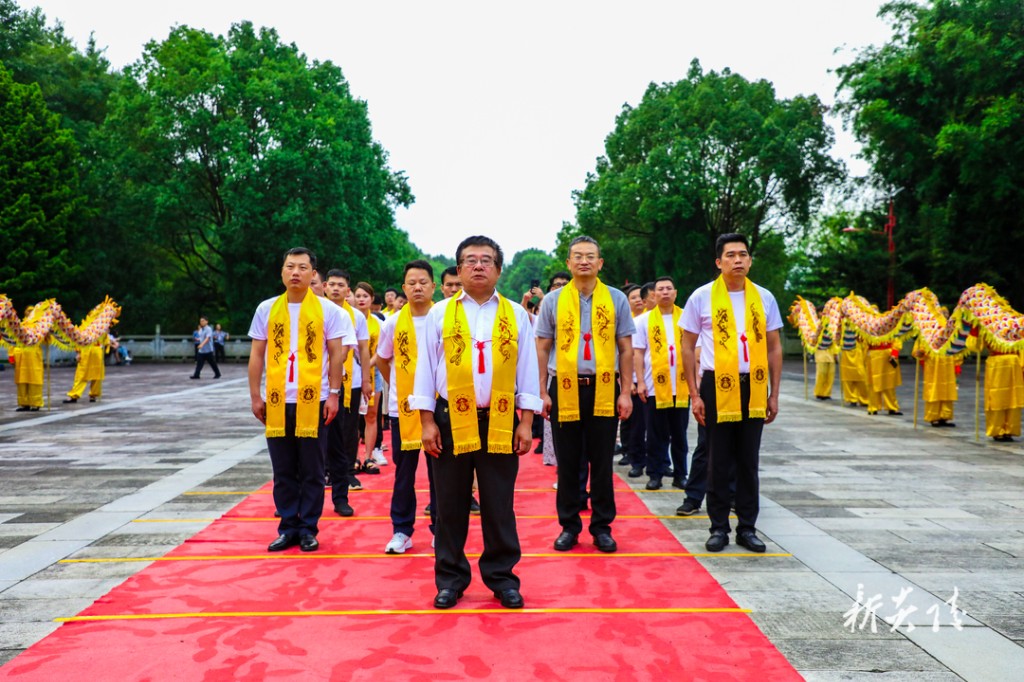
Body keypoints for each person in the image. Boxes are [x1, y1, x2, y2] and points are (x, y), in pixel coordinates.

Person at [412, 235, 541, 610]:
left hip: (500, 418)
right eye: (470, 260)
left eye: (486, 260)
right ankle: (450, 579)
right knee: (449, 504)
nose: (479, 266)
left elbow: (527, 370)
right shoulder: (440, 313)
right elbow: (425, 370)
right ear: (459, 269)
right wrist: (426, 422)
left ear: (499, 268)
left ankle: (502, 578)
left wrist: (526, 421)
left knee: (499, 503)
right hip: (450, 418)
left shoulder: (516, 314)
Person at [680, 233, 782, 554]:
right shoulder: (701, 297)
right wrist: (694, 394)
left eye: (743, 254)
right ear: (719, 262)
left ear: (750, 260)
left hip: (754, 384)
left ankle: (747, 528)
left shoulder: (764, 297)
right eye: (730, 255)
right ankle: (719, 527)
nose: (737, 260)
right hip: (715, 385)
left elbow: (775, 347)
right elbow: (687, 344)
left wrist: (774, 394)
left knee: (748, 461)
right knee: (718, 460)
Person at [247, 247, 353, 552]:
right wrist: (256, 395)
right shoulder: (266, 309)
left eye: (302, 267)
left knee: (312, 469)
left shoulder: (329, 311)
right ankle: (288, 526)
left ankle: (308, 527)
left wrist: (333, 394)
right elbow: (257, 354)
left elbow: (336, 354)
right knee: (282, 469)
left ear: (313, 274)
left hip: (315, 399)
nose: (295, 272)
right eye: (290, 266)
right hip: (277, 400)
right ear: (281, 272)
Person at [536, 236, 635, 554]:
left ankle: (602, 526)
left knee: (602, 461)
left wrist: (627, 392)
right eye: (577, 256)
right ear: (567, 263)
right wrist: (541, 390)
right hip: (563, 387)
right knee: (567, 462)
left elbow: (625, 348)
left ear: (600, 263)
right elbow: (542, 347)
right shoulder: (553, 301)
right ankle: (569, 525)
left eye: (590, 256)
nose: (584, 261)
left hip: (605, 388)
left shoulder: (616, 299)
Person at [376, 260, 438, 554]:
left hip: (440, 409)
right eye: (411, 282)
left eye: (423, 282)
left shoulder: (444, 318)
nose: (417, 287)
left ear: (433, 286)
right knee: (404, 473)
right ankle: (402, 530)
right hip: (403, 409)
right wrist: (400, 387)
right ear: (403, 288)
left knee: (441, 473)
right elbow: (383, 360)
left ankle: (441, 528)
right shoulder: (392, 322)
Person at [633, 276, 689, 491]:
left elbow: (695, 351)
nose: (665, 292)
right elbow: (638, 353)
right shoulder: (643, 321)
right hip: (654, 386)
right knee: (655, 434)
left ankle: (681, 473)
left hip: (682, 387)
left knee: (680, 435)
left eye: (668, 289)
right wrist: (639, 382)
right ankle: (655, 474)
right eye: (660, 289)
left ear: (675, 292)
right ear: (653, 295)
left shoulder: (686, 318)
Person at [324, 269, 373, 507]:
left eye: (340, 285)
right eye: (331, 284)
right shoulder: (315, 312)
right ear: (324, 286)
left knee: (347, 430)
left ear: (347, 290)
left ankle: (344, 480)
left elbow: (361, 350)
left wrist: (366, 379)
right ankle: (325, 472)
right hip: (315, 384)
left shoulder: (354, 316)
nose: (335, 289)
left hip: (346, 383)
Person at [353, 281, 387, 468]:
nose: (361, 299)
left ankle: (368, 456)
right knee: (353, 418)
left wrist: (367, 365)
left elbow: (381, 350)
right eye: (358, 296)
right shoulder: (348, 318)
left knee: (371, 416)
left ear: (372, 299)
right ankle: (354, 457)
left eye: (365, 296)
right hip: (351, 373)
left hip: (373, 373)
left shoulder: (379, 323)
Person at [968, 332, 1023, 441]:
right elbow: (976, 347)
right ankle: (997, 430)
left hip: (1014, 362)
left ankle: (1010, 429)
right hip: (997, 363)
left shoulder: (1015, 322)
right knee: (996, 397)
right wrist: (975, 333)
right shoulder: (988, 323)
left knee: (1013, 397)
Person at [620, 283, 648, 474]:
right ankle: (631, 453)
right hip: (630, 378)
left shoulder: (650, 320)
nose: (638, 300)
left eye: (640, 297)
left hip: (651, 379)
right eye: (633, 298)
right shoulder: (625, 321)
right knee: (632, 421)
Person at [912, 339, 960, 427]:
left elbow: (957, 348)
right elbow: (920, 348)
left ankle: (945, 416)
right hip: (933, 362)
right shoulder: (928, 330)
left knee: (947, 390)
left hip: (948, 360)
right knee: (934, 389)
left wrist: (957, 363)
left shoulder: (952, 329)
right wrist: (920, 352)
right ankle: (933, 417)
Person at [866, 339, 903, 415]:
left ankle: (892, 407)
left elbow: (896, 339)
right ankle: (873, 407)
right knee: (873, 383)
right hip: (873, 355)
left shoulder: (891, 327)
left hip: (887, 355)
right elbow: (863, 342)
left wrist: (894, 353)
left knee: (889, 383)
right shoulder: (867, 329)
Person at [64, 337, 106, 403]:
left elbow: (105, 341)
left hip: (97, 351)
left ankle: (93, 394)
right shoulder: (84, 327)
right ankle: (74, 395)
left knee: (97, 375)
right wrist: (78, 352)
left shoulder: (102, 328)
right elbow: (78, 339)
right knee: (81, 374)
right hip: (85, 351)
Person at [13, 342, 44, 412]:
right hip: (20, 353)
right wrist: (11, 354)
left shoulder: (39, 331)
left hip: (34, 354)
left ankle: (36, 403)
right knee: (21, 380)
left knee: (35, 379)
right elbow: (11, 340)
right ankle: (24, 403)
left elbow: (46, 339)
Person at [840, 337, 869, 407]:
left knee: (861, 377)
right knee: (847, 378)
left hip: (858, 349)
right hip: (846, 349)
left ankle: (864, 399)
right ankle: (851, 398)